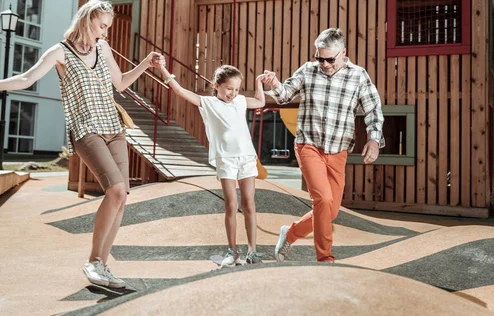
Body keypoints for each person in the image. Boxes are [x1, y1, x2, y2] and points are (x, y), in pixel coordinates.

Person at [0, 0, 164, 288]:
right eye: (101, 26)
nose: (104, 33)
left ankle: (102, 267)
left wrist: (146, 64)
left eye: (107, 28)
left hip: (113, 126)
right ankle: (94, 261)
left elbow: (120, 83)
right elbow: (27, 78)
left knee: (121, 198)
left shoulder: (102, 48)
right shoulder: (60, 52)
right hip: (86, 130)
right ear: (87, 19)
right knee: (116, 189)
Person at [260, 27, 384, 263]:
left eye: (329, 59)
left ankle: (291, 233)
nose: (324, 63)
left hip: (339, 150)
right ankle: (325, 258)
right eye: (319, 57)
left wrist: (374, 139)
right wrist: (275, 82)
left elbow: (373, 109)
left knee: (331, 211)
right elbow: (284, 95)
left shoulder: (358, 75)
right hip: (309, 145)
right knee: (323, 201)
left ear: (343, 53)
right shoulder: (308, 71)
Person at [157, 63, 265, 267]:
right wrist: (162, 69)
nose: (233, 93)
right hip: (226, 159)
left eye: (237, 89)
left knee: (249, 203)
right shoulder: (208, 103)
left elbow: (260, 101)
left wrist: (259, 82)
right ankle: (232, 251)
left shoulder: (240, 101)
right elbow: (179, 90)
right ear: (216, 85)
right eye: (229, 88)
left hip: (246, 158)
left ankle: (253, 251)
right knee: (231, 204)